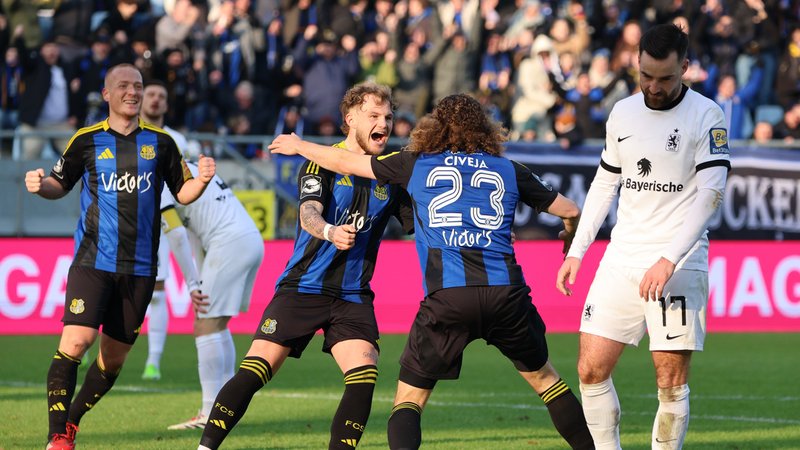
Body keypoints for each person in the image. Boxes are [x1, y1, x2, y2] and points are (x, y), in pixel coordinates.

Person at [269, 93, 594, 450]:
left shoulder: (414, 164)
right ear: (484, 128)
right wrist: (568, 239)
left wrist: (301, 145)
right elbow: (571, 209)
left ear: (435, 127)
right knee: (548, 381)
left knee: (409, 400)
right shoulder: (509, 168)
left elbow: (345, 162)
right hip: (507, 295)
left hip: (449, 298)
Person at [197, 82, 414, 450]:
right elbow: (308, 212)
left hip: (352, 295)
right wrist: (329, 231)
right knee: (256, 369)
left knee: (364, 374)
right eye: (374, 116)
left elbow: (418, 225)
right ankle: (205, 448)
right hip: (303, 287)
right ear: (350, 120)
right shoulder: (322, 162)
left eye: (389, 117)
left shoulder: (389, 175)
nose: (385, 123)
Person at [555, 24, 730, 449]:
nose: (653, 86)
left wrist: (669, 258)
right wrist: (578, 250)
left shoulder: (707, 115)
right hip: (622, 258)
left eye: (665, 78)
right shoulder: (624, 112)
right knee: (590, 370)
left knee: (670, 382)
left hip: (678, 264)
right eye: (645, 75)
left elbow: (712, 193)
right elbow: (603, 185)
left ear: (685, 68)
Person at [24, 63, 216, 450]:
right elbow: (58, 185)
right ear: (107, 94)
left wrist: (202, 180)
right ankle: (58, 436)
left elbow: (182, 193)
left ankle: (72, 419)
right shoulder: (86, 139)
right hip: (93, 261)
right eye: (124, 86)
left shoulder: (162, 143)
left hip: (142, 268)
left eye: (138, 86)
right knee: (76, 343)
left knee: (112, 361)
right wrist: (38, 184)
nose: (133, 92)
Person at [141, 82, 265, 430]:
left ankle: (210, 411)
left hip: (229, 243)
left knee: (205, 323)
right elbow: (196, 231)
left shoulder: (164, 180)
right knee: (218, 322)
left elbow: (178, 234)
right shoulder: (192, 168)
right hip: (249, 241)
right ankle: (225, 407)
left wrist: (193, 283)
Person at [139, 80, 194, 382]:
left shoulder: (177, 140)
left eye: (162, 96)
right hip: (127, 220)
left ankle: (153, 361)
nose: (156, 100)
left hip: (162, 219)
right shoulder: (128, 135)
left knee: (157, 293)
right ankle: (83, 347)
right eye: (151, 95)